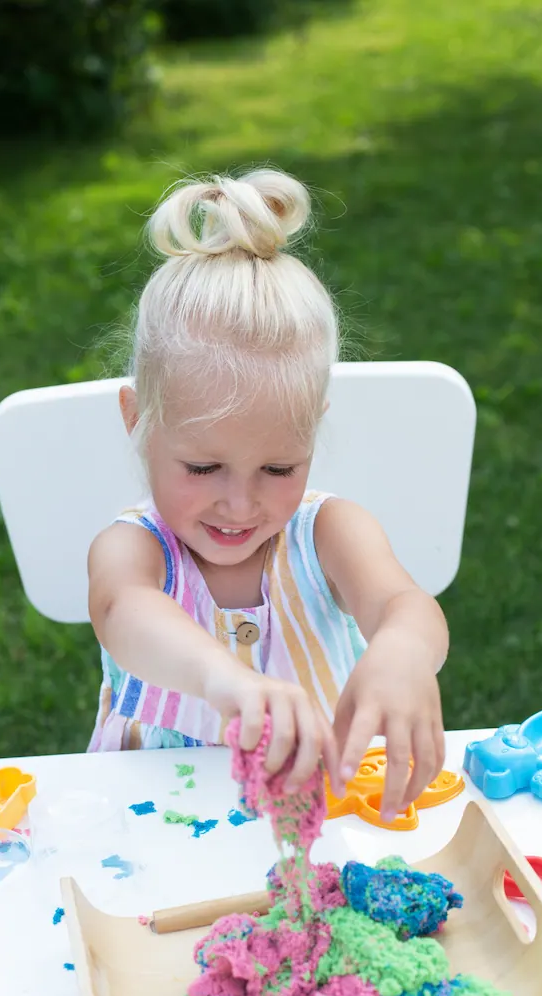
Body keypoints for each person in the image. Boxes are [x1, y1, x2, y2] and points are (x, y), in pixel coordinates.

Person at [86, 169, 448, 822]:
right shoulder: (132, 551)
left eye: (279, 467)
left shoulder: (329, 532)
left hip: (325, 824)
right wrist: (226, 680)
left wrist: (404, 649)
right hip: (148, 831)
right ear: (137, 419)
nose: (240, 503)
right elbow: (123, 611)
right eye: (202, 466)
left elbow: (405, 604)